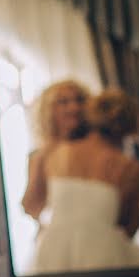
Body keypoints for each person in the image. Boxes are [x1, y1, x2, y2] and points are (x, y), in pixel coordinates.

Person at [31, 87, 139, 273]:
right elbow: (131, 223)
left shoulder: (56, 153)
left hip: (54, 250)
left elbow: (31, 204)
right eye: (63, 102)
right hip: (105, 253)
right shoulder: (129, 168)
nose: (73, 108)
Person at [22, 79, 90, 221]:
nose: (74, 108)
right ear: (48, 110)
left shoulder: (97, 150)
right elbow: (31, 208)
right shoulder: (39, 156)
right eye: (63, 102)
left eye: (79, 100)